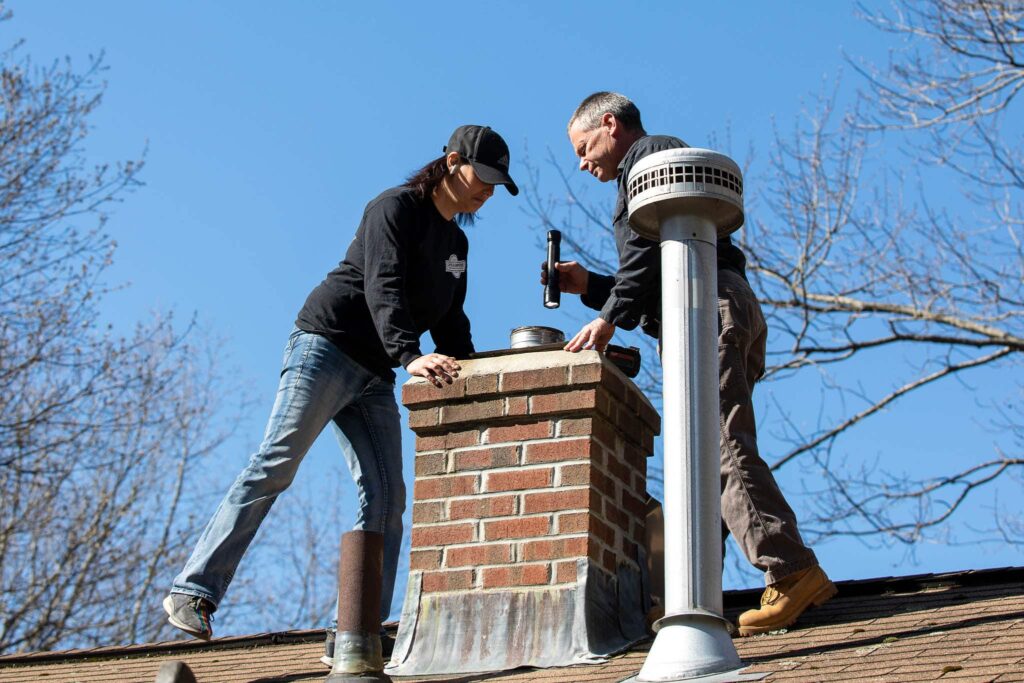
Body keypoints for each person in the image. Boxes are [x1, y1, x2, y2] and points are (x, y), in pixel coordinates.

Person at [163, 125, 519, 649]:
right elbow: (384, 287)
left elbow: (452, 325)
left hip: (376, 373)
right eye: (481, 176)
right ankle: (191, 591)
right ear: (451, 162)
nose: (487, 190)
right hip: (326, 347)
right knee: (278, 462)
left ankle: (357, 631)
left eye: (496, 184)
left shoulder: (456, 244)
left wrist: (483, 372)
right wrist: (411, 355)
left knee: (387, 496)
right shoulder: (393, 208)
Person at [546, 92, 835, 636]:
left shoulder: (651, 160)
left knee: (718, 444)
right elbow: (652, 270)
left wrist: (607, 317)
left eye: (584, 148)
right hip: (718, 305)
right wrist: (591, 288)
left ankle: (792, 570)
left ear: (610, 124)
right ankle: (696, 597)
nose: (584, 163)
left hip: (706, 309)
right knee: (704, 457)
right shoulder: (653, 174)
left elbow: (639, 263)